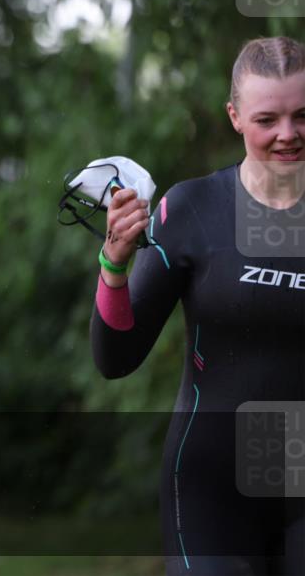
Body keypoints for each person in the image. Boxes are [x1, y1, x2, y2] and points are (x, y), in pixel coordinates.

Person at [90, 36, 304, 575]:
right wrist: (114, 265)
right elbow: (116, 357)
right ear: (234, 117)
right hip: (212, 488)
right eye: (267, 119)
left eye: (303, 115)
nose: (288, 134)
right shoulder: (193, 208)